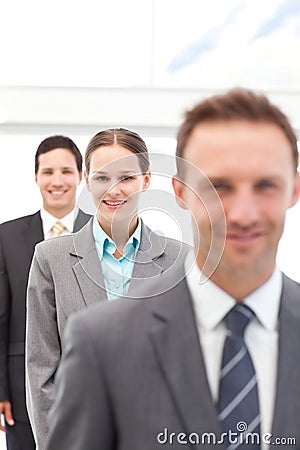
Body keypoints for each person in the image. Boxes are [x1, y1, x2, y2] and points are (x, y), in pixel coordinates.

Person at [46, 89, 300, 450]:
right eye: (219, 186)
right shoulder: (102, 344)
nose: (243, 214)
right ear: (180, 192)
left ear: (294, 189)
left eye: (265, 186)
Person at [26, 128, 186, 450]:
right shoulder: (50, 259)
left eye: (126, 177)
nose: (114, 190)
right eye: (101, 178)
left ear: (146, 179)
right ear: (86, 179)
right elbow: (41, 368)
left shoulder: (179, 260)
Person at [0, 135, 90, 450]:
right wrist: (1, 390)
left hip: (92, 384)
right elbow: (1, 315)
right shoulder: (7, 236)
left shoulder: (102, 234)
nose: (57, 180)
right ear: (36, 177)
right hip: (21, 388)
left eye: (66, 171)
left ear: (81, 177)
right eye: (47, 171)